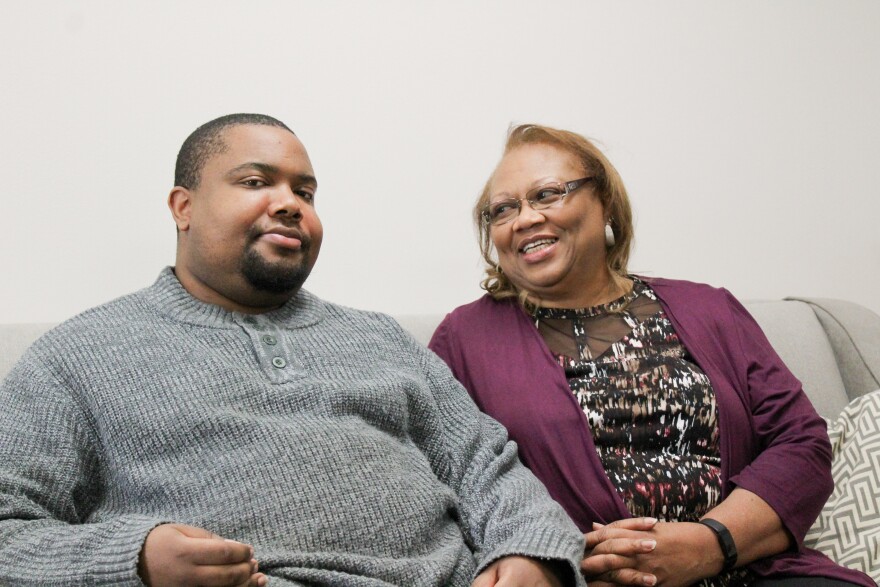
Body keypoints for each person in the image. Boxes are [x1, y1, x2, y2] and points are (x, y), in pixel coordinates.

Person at [0, 114, 586, 586]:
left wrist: (533, 556)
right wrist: (136, 559)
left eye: (304, 191)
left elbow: (486, 465)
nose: (290, 203)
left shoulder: (378, 337)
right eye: (256, 183)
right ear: (183, 207)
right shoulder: (74, 359)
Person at [428, 124, 877, 587]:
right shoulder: (462, 341)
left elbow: (801, 443)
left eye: (547, 194)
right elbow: (448, 483)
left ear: (605, 203)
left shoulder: (709, 308)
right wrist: (551, 560)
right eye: (502, 209)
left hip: (751, 569)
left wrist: (711, 544)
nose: (524, 219)